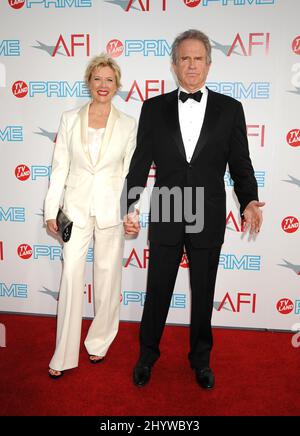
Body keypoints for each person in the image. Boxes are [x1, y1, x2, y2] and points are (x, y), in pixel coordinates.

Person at [123, 30, 265, 389]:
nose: (191, 65)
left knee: (203, 293)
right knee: (157, 290)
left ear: (209, 64)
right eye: (184, 58)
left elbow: (241, 164)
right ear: (173, 65)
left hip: (208, 211)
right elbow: (139, 164)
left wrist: (248, 199)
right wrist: (129, 205)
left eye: (198, 58)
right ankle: (147, 356)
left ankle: (201, 360)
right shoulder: (153, 108)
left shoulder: (230, 109)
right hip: (169, 209)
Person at [44, 54, 136, 378]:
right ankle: (63, 354)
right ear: (89, 81)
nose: (103, 85)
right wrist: (50, 209)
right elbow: (59, 169)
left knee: (108, 279)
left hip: (111, 211)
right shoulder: (69, 118)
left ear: (117, 85)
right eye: (97, 79)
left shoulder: (128, 124)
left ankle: (98, 342)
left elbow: (131, 174)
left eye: (109, 80)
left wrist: (132, 212)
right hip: (76, 209)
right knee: (70, 276)